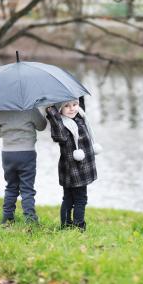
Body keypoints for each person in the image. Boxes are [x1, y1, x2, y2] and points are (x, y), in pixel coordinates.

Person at [46, 99, 101, 231]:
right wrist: (52, 112)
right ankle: (78, 226)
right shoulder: (61, 125)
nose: (72, 108)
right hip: (74, 170)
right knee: (79, 199)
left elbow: (80, 104)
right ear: (59, 110)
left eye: (74, 104)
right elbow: (59, 134)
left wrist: (79, 99)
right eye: (66, 106)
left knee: (70, 199)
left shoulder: (80, 117)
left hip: (79, 169)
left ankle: (66, 225)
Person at [0, 108, 47, 224]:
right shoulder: (30, 108)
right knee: (27, 188)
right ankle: (30, 219)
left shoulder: (0, 110)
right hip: (27, 153)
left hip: (8, 154)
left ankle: (7, 218)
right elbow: (42, 126)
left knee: (11, 186)